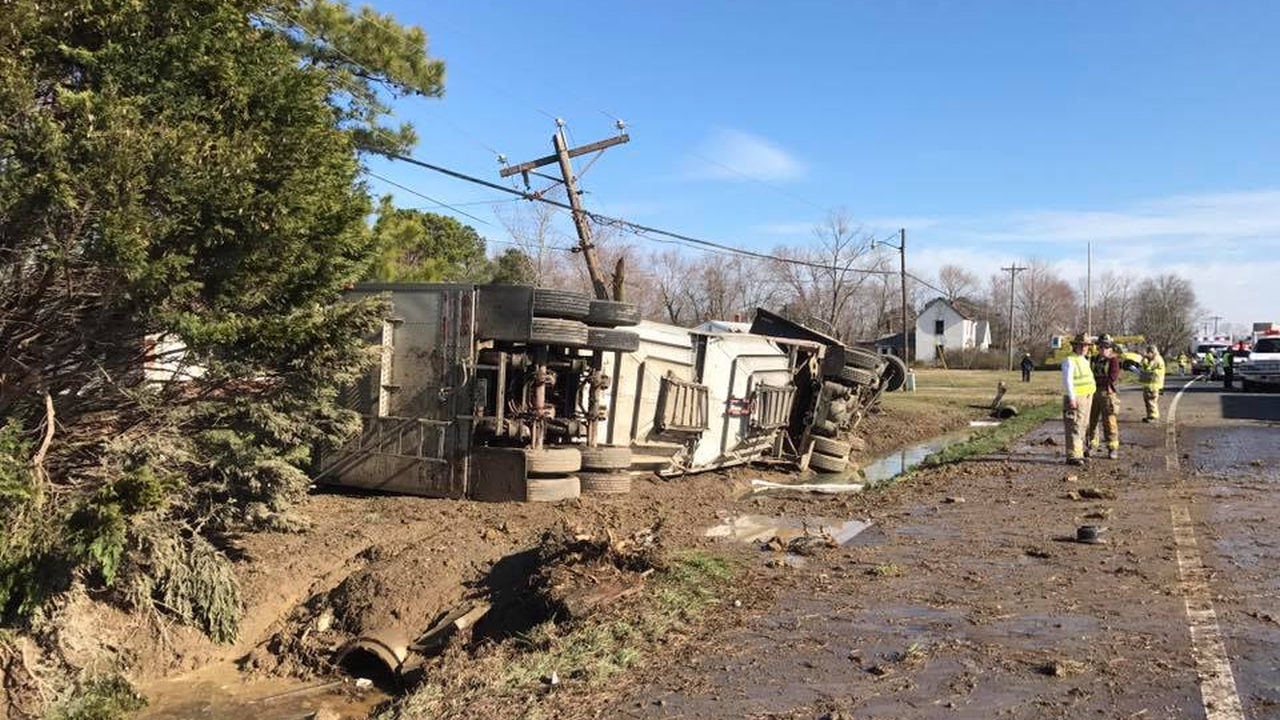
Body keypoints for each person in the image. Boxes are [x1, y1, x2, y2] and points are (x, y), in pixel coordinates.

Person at [1061, 333, 1096, 465]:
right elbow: (1068, 380)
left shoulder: (1084, 360)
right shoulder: (1069, 360)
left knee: (1083, 425)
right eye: (1081, 345)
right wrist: (1072, 397)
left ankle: (1079, 453)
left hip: (1087, 396)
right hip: (1076, 397)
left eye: (1086, 345)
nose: (1084, 348)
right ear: (1075, 346)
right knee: (1074, 425)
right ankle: (1072, 455)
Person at [1086, 334, 1121, 459]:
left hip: (1107, 393)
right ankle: (1092, 445)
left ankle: (1112, 448)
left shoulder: (1113, 360)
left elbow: (1112, 378)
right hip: (1093, 393)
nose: (1103, 349)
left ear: (1110, 348)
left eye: (1106, 347)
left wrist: (1095, 381)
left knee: (1109, 422)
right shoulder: (1093, 359)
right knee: (1091, 421)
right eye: (1100, 347)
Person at [1139, 344, 1166, 422]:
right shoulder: (1152, 359)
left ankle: (1153, 417)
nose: (1147, 354)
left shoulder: (1156, 359)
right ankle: (1149, 415)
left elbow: (1148, 369)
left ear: (1152, 352)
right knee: (1147, 400)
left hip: (1153, 384)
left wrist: (1145, 359)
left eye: (1148, 353)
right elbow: (1144, 366)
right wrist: (1144, 359)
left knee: (1151, 401)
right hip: (1149, 383)